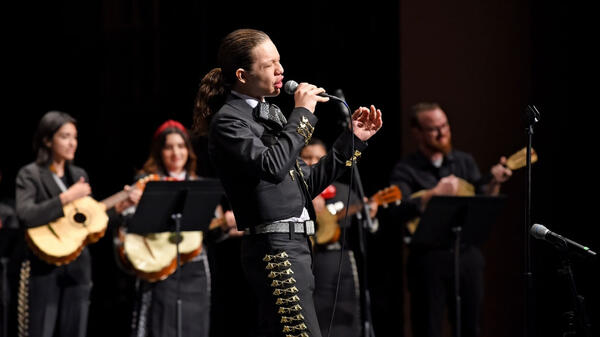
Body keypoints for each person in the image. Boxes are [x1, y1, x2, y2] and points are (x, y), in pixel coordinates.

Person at [192, 28, 382, 337]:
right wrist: (303, 112)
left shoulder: (271, 114)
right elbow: (272, 166)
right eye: (269, 64)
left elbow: (305, 183)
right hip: (274, 248)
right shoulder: (229, 121)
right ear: (242, 75)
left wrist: (352, 141)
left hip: (299, 245)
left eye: (279, 61)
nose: (281, 70)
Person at [389, 102, 512, 337]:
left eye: (445, 125)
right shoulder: (407, 169)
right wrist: (434, 194)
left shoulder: (464, 161)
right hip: (428, 258)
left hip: (466, 254)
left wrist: (495, 182)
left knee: (470, 326)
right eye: (433, 128)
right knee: (428, 327)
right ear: (418, 132)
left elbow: (481, 201)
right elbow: (398, 209)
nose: (442, 132)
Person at [14, 111, 137, 337]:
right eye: (65, 136)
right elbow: (26, 214)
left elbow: (87, 224)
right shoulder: (30, 174)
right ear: (47, 139)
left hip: (78, 268)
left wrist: (118, 210)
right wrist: (65, 198)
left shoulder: (78, 174)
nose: (72, 143)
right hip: (44, 268)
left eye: (75, 137)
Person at [118, 119, 237, 337]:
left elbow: (211, 233)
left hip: (195, 271)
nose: (176, 153)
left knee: (194, 327)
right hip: (159, 268)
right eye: (169, 147)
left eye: (181, 146)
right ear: (159, 151)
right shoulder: (146, 183)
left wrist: (225, 225)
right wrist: (131, 205)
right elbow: (127, 229)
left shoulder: (200, 185)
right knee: (160, 326)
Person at [300, 138, 379, 337]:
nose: (312, 162)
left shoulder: (344, 192)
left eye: (318, 158)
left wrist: (370, 216)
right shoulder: (293, 191)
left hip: (337, 261)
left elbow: (359, 229)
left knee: (343, 315)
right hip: (303, 259)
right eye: (307, 157)